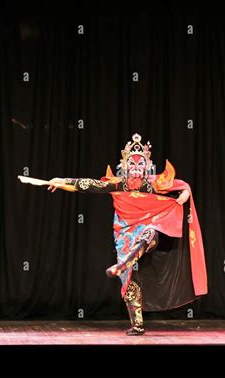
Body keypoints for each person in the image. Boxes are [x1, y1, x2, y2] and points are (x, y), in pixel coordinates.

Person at [48, 133, 208, 336]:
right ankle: (137, 324)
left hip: (149, 227)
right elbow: (87, 185)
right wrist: (62, 181)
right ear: (125, 167)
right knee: (129, 280)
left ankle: (124, 262)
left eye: (140, 165)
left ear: (146, 167)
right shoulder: (117, 184)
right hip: (125, 231)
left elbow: (181, 185)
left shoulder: (153, 183)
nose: (136, 169)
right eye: (131, 165)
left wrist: (186, 193)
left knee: (149, 232)